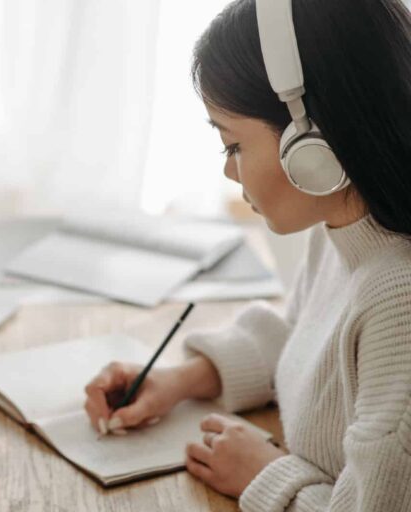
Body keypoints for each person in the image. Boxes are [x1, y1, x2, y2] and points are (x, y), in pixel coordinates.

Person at [83, 0, 411, 509]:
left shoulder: (400, 301)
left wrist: (267, 475)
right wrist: (182, 380)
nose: (229, 173)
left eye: (231, 145)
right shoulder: (342, 229)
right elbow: (309, 349)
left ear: (311, 143)